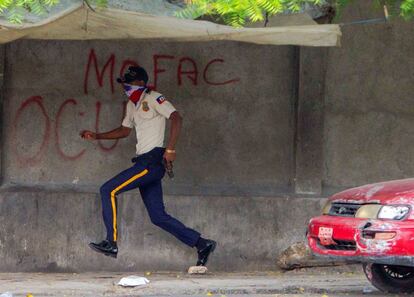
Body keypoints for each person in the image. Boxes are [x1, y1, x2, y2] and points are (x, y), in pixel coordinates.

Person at [80, 66, 216, 267]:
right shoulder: (131, 105)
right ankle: (202, 243)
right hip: (145, 162)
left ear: (141, 83)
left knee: (107, 189)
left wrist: (170, 149)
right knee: (158, 217)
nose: (126, 87)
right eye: (124, 83)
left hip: (151, 162)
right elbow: (125, 130)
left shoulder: (154, 97)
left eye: (130, 83)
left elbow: (176, 118)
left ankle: (111, 242)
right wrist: (97, 136)